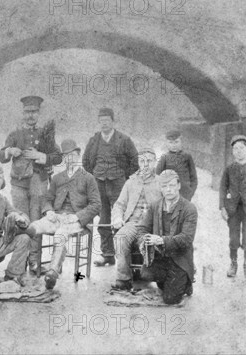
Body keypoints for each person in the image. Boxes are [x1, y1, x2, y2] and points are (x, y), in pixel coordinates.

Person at [0, 95, 62, 274]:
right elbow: (1, 156)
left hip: (38, 182)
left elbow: (57, 157)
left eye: (34, 112)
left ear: (39, 113)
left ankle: (34, 261)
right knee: (20, 220)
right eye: (27, 112)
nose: (30, 115)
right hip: (19, 183)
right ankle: (20, 261)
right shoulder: (15, 134)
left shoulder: (45, 134)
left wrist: (41, 157)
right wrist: (10, 150)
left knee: (35, 222)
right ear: (22, 113)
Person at [25, 139, 101, 289]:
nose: (69, 159)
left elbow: (96, 204)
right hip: (57, 216)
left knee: (60, 234)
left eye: (72, 155)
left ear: (78, 155)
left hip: (76, 221)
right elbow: (47, 198)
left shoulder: (88, 178)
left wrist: (78, 216)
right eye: (65, 156)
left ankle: (52, 272)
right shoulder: (58, 178)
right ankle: (20, 231)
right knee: (36, 225)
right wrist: (49, 211)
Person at [82, 108, 139, 267]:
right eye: (101, 121)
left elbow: (135, 160)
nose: (104, 124)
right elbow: (86, 161)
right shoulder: (94, 141)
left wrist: (124, 176)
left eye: (107, 120)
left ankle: (124, 255)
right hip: (99, 184)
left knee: (120, 219)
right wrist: (94, 175)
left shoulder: (124, 139)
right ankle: (107, 254)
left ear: (113, 122)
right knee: (103, 220)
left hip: (118, 184)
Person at [135, 170, 197, 304]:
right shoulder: (155, 206)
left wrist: (162, 240)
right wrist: (144, 239)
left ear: (179, 185)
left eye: (172, 185)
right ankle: (171, 282)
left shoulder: (189, 208)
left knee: (170, 299)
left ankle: (186, 280)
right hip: (160, 256)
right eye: (164, 186)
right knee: (145, 273)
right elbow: (142, 228)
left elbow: (186, 238)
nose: (168, 190)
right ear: (160, 188)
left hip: (179, 258)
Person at [110, 147, 163, 290]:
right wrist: (117, 218)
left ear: (154, 163)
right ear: (138, 163)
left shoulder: (161, 182)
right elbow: (119, 204)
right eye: (142, 161)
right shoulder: (130, 182)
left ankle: (154, 275)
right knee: (120, 237)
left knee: (149, 244)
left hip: (151, 225)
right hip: (132, 223)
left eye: (149, 161)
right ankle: (124, 278)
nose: (145, 164)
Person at [219, 135, 246, 277]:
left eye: (242, 148)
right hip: (233, 209)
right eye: (235, 149)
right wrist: (222, 207)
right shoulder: (229, 169)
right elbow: (223, 188)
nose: (239, 151)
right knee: (234, 238)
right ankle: (233, 263)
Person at [156, 130, 198, 201]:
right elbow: (157, 176)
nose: (174, 145)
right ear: (166, 143)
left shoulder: (187, 156)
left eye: (176, 142)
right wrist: (163, 193)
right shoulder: (164, 158)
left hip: (185, 194)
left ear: (181, 142)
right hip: (169, 194)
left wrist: (191, 192)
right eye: (171, 142)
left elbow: (193, 177)